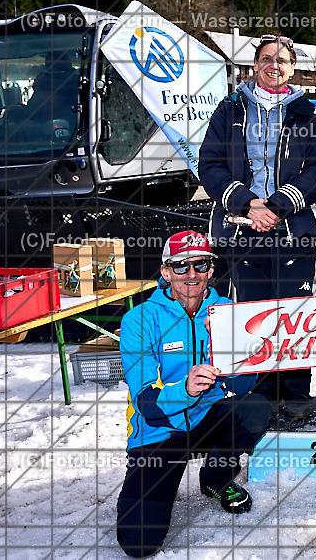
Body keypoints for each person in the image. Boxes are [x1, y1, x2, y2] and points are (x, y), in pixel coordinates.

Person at [116, 231, 272, 558]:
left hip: (207, 418)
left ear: (211, 270)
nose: (191, 275)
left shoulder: (227, 311)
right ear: (165, 271)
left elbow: (244, 386)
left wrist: (251, 362)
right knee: (138, 543)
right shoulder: (139, 319)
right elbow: (147, 404)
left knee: (254, 408)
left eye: (200, 265)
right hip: (160, 431)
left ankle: (216, 478)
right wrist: (185, 389)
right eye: (181, 266)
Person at [199, 34, 316, 419]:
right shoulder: (229, 109)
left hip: (292, 230)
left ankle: (297, 394)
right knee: (255, 315)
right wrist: (247, 204)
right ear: (255, 66)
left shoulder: (306, 113)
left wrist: (278, 205)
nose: (275, 65)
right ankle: (262, 395)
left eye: (283, 60)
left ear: (292, 68)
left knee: (293, 316)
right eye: (267, 59)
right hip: (241, 229)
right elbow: (209, 165)